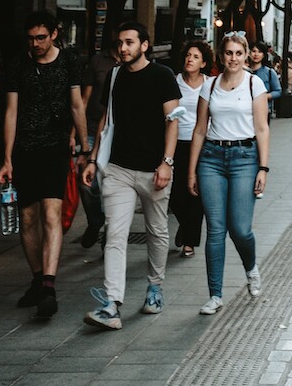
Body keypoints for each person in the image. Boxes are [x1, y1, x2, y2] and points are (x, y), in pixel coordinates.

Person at [80, 22, 181, 329]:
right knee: (115, 235)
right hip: (119, 169)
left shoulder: (162, 76)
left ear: (144, 45)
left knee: (157, 231)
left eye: (129, 42)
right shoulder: (113, 76)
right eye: (120, 43)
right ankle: (112, 304)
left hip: (154, 170)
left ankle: (155, 287)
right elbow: (106, 121)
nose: (122, 48)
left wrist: (166, 162)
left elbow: (173, 121)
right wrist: (93, 159)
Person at [0, 11, 88, 320]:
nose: (35, 44)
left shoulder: (68, 61)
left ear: (53, 35)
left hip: (55, 148)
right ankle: (37, 278)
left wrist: (84, 147)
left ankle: (48, 286)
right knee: (27, 216)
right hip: (24, 149)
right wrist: (7, 158)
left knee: (51, 213)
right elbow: (11, 112)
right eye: (31, 38)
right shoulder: (18, 65)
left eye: (41, 37)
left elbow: (77, 104)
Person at [188, 32, 270, 315]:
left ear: (245, 55)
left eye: (238, 53)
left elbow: (262, 129)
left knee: (240, 228)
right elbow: (200, 129)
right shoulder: (209, 86)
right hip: (211, 159)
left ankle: (251, 267)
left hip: (245, 159)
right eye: (228, 53)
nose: (233, 58)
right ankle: (215, 294)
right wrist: (191, 171)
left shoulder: (253, 84)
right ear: (221, 56)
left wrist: (263, 167)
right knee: (215, 229)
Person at [171, 40, 211, 258]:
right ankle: (185, 225)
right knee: (174, 195)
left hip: (202, 144)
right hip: (176, 143)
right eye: (188, 55)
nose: (190, 59)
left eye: (195, 57)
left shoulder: (210, 84)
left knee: (195, 194)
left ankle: (190, 241)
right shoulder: (173, 82)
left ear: (203, 62)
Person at [79, 33, 117, 248]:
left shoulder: (133, 65)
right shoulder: (98, 61)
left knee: (111, 187)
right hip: (93, 127)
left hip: (117, 134)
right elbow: (83, 100)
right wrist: (76, 134)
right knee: (87, 184)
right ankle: (95, 221)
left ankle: (110, 241)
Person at [248, 39, 282, 119]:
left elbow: (278, 91)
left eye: (259, 52)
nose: (256, 54)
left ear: (263, 55)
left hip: (264, 110)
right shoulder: (244, 72)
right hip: (246, 110)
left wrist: (265, 96)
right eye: (254, 51)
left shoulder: (269, 72)